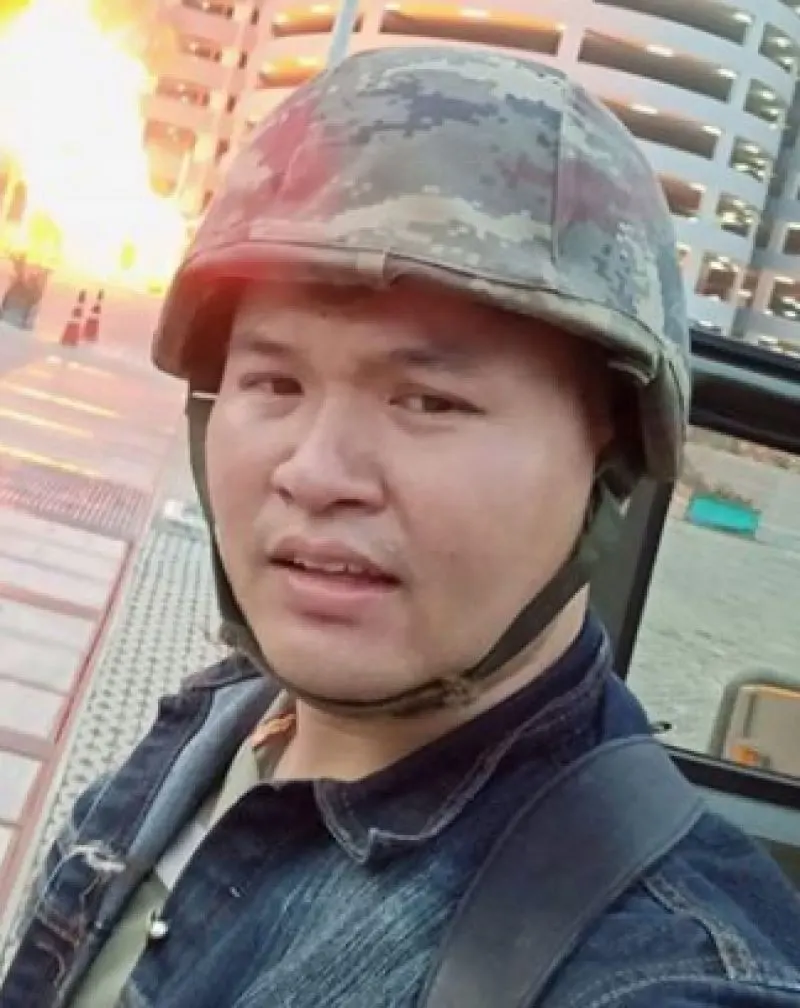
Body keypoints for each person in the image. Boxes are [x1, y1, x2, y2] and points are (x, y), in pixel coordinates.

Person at [3, 46, 800, 1008]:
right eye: (275, 382)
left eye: (428, 402)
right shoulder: (230, 716)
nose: (314, 472)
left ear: (610, 457)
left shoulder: (657, 966)